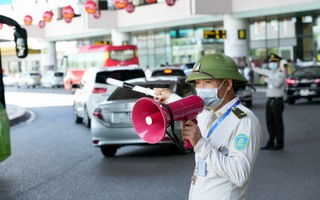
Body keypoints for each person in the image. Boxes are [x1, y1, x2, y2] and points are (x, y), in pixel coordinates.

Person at [154, 53, 263, 200]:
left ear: (228, 84)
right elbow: (188, 106)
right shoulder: (209, 114)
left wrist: (200, 143)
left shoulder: (244, 120)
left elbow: (240, 174)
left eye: (207, 82)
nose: (201, 89)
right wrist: (170, 96)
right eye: (198, 83)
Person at [252, 53, 286, 150]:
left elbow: (277, 84)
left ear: (278, 62)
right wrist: (253, 65)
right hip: (269, 100)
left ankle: (279, 143)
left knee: (278, 123)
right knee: (269, 122)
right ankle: (271, 142)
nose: (271, 63)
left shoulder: (281, 73)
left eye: (274, 61)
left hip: (277, 101)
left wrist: (266, 79)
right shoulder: (271, 72)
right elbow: (259, 70)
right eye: (271, 62)